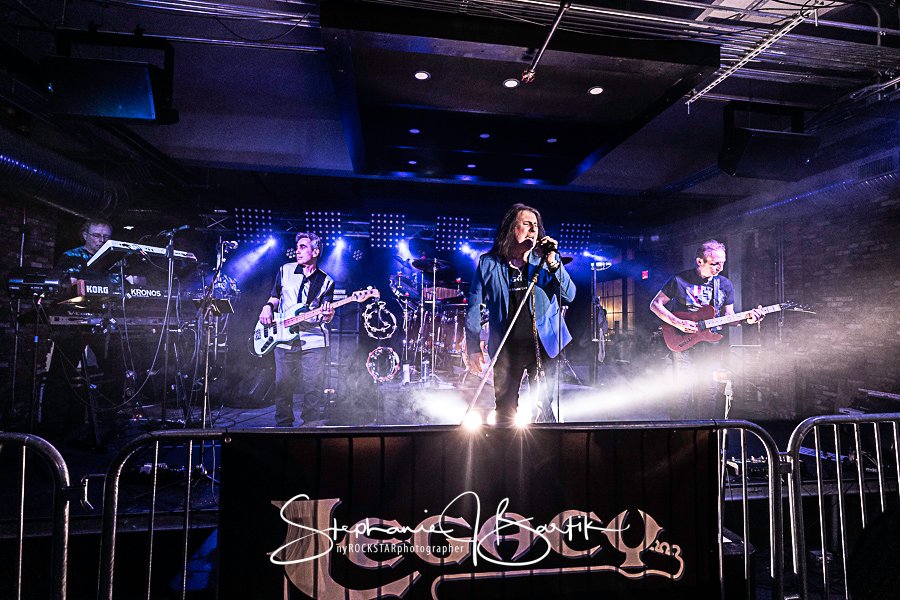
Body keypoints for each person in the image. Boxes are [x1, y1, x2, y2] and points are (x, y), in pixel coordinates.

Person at [465, 204, 576, 426]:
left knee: (543, 407)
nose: (533, 229)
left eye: (536, 225)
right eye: (527, 224)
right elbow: (474, 306)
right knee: (505, 409)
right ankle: (506, 445)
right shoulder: (489, 263)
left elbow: (569, 295)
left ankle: (546, 444)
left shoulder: (545, 261)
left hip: (542, 344)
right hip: (506, 347)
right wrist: (473, 347)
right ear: (511, 228)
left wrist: (553, 263)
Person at [649, 239, 763, 418]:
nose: (720, 267)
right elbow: (655, 304)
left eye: (723, 263)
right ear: (699, 261)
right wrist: (677, 322)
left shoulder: (724, 284)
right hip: (683, 341)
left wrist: (748, 320)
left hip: (710, 345)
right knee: (682, 392)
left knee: (708, 392)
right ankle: (677, 431)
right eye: (715, 263)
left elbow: (729, 317)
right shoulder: (680, 280)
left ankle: (704, 432)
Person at [259, 232, 335, 427]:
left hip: (314, 339)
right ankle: (283, 428)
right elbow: (275, 297)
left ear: (315, 252)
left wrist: (328, 315)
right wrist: (267, 307)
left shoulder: (326, 281)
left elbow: (325, 313)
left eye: (303, 247)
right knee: (283, 387)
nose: (297, 251)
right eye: (297, 247)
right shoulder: (285, 270)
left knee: (313, 388)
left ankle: (310, 428)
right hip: (283, 337)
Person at [57, 219, 113, 283]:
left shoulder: (113, 259)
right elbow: (69, 284)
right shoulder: (71, 256)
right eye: (96, 236)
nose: (102, 240)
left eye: (106, 237)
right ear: (85, 235)